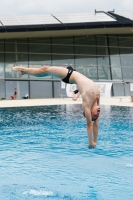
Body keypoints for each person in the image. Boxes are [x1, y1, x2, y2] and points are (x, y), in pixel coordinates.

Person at [11, 65, 100, 148]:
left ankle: (23, 70)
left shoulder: (87, 103)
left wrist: (90, 143)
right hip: (73, 73)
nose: (98, 114)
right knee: (45, 70)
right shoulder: (97, 100)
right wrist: (95, 141)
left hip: (69, 76)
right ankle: (24, 71)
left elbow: (89, 124)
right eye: (97, 115)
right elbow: (95, 124)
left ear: (89, 112)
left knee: (45, 70)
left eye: (95, 115)